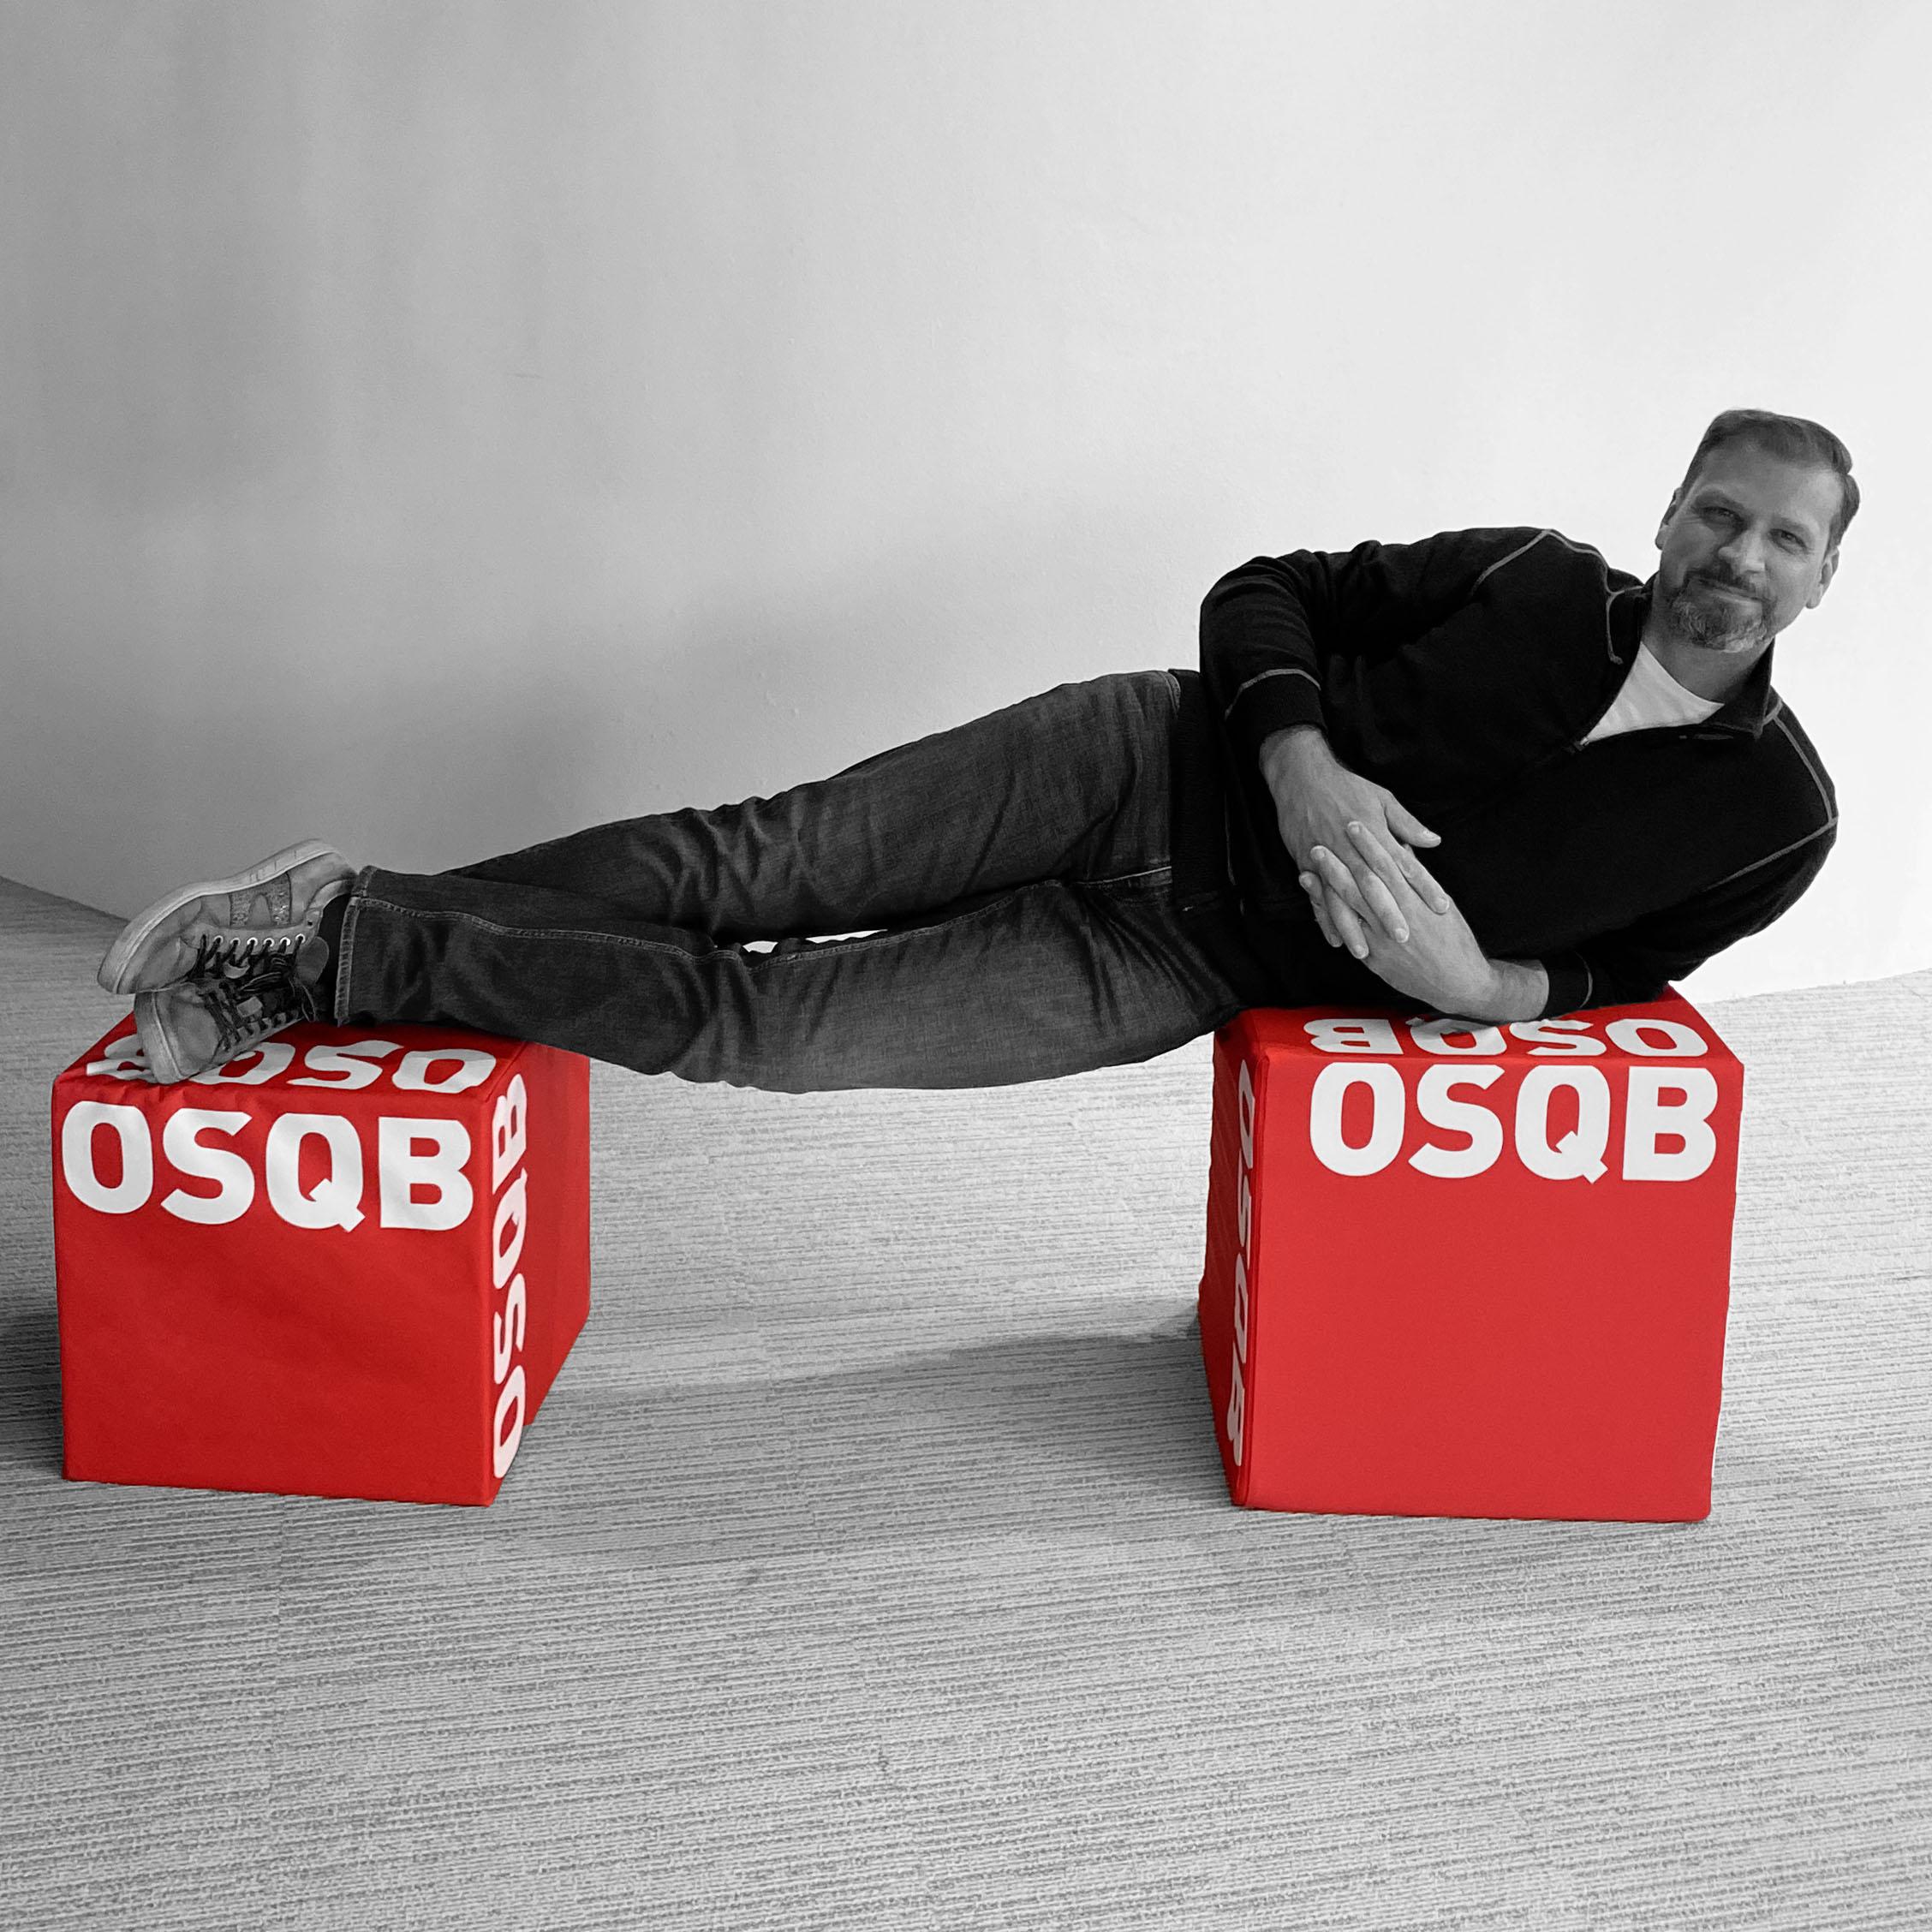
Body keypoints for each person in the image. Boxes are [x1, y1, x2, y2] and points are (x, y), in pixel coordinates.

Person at [99, 408, 1852, 1090]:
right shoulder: (1535, 576)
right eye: (1719, 512)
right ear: (1669, 511)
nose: (1738, 555)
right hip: (1140, 761)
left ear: (1825, 578)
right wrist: (1298, 756)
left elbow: (1633, 969)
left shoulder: (1774, 816)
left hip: (1185, 961)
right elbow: (1266, 593)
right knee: (747, 868)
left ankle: (340, 930)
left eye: (1785, 538)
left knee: (769, 1029)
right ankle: (322, 959)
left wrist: (1477, 989)